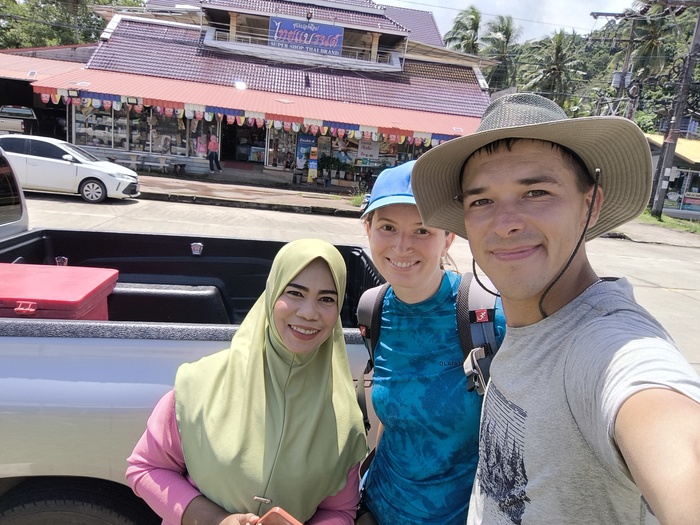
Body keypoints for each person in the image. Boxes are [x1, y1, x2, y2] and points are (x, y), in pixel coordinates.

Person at [411, 93, 700, 524]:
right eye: (482, 201)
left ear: (590, 205)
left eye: (536, 192)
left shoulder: (608, 346)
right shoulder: (523, 327)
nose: (505, 223)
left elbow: (667, 429)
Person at [126, 238, 367, 525]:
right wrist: (216, 520)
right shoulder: (202, 385)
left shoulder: (343, 417)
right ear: (272, 294)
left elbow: (339, 510)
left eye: (326, 299)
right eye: (295, 293)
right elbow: (146, 468)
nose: (308, 312)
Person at [358, 161, 505, 525]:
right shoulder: (372, 309)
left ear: (448, 238)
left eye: (422, 230)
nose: (402, 246)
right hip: (377, 508)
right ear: (368, 229)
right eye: (387, 227)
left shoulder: (487, 314)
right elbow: (391, 422)